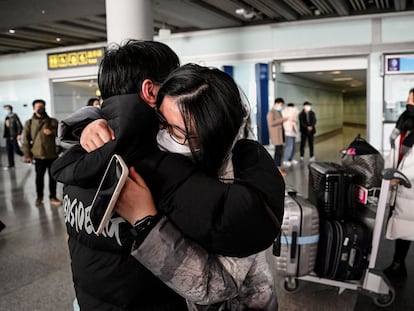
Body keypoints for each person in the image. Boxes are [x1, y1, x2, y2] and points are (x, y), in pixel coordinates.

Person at [51, 41, 284, 310]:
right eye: (173, 77)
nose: (168, 136)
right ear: (150, 91)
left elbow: (225, 275)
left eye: (176, 130)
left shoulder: (85, 155)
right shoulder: (134, 151)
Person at [384, 87, 414, 278]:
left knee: (406, 225)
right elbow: (395, 152)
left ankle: (398, 264)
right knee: (401, 223)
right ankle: (398, 262)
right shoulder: (403, 123)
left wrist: (402, 177)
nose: (410, 102)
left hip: (409, 184)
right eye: (409, 98)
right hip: (397, 181)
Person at [22, 99, 62, 207]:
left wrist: (52, 132)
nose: (41, 108)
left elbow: (61, 134)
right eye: (38, 106)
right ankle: (39, 197)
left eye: (42, 106)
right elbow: (25, 140)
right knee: (39, 178)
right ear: (34, 108)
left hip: (52, 155)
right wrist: (27, 155)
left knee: (53, 178)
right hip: (38, 155)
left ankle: (53, 197)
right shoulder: (29, 123)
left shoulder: (53, 121)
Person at [3, 104, 24, 169]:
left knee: (16, 150)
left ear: (10, 109)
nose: (6, 111)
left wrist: (19, 134)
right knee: (9, 151)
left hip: (14, 136)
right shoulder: (7, 117)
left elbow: (20, 126)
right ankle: (11, 164)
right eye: (5, 109)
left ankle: (27, 157)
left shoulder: (15, 116)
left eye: (7, 109)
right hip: (8, 137)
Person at [266, 97, 284, 167]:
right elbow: (271, 123)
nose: (281, 106)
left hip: (280, 134)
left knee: (280, 151)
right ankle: (277, 167)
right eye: (281, 104)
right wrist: (282, 119)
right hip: (276, 135)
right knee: (278, 152)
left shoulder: (278, 112)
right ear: (277, 103)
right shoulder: (271, 112)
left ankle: (278, 166)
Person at [282, 102, 299, 167]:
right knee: (289, 146)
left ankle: (291, 158)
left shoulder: (292, 112)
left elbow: (295, 120)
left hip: (293, 132)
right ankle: (286, 160)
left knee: (293, 146)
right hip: (288, 132)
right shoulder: (286, 111)